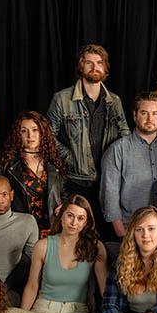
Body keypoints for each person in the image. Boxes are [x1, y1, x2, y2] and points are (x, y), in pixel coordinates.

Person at [47, 44, 130, 226]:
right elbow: (48, 137)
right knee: (76, 234)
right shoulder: (62, 99)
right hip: (75, 181)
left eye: (99, 62)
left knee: (104, 236)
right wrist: (70, 158)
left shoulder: (114, 101)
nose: (95, 67)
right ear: (80, 66)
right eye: (89, 62)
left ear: (105, 67)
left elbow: (125, 136)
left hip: (108, 181)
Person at [100, 92, 157, 239]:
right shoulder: (118, 149)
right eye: (144, 113)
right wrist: (122, 234)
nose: (150, 118)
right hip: (132, 230)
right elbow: (109, 194)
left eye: (155, 113)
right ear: (134, 115)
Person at [0, 111, 67, 236]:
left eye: (35, 130)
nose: (30, 135)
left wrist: (65, 204)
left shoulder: (54, 163)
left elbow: (64, 193)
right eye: (23, 131)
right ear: (17, 135)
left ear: (43, 132)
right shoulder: (6, 164)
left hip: (50, 230)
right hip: (19, 231)